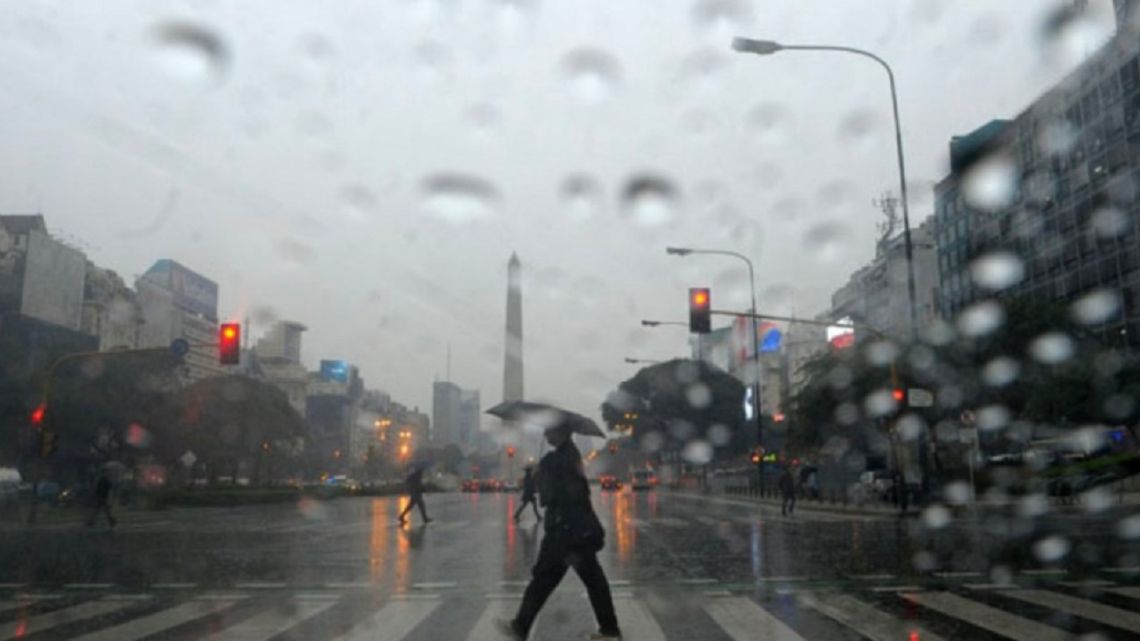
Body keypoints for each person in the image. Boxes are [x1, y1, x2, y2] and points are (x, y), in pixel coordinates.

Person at [498, 422, 621, 641]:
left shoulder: (558, 459)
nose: (545, 434)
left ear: (563, 432)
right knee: (587, 579)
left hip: (565, 532)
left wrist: (539, 474)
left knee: (545, 579)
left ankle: (521, 626)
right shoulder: (568, 455)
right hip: (575, 530)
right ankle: (609, 629)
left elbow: (550, 497)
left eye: (550, 430)